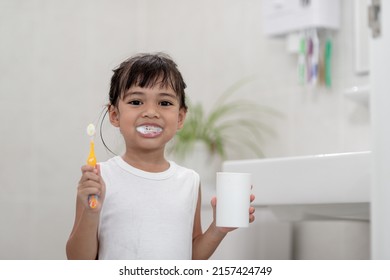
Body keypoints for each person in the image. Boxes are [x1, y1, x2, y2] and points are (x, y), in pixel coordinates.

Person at [66, 52, 255, 260]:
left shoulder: (189, 181)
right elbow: (78, 261)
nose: (151, 112)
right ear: (115, 115)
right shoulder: (99, 178)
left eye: (164, 103)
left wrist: (218, 228)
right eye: (136, 102)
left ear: (180, 117)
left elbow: (191, 257)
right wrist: (91, 213)